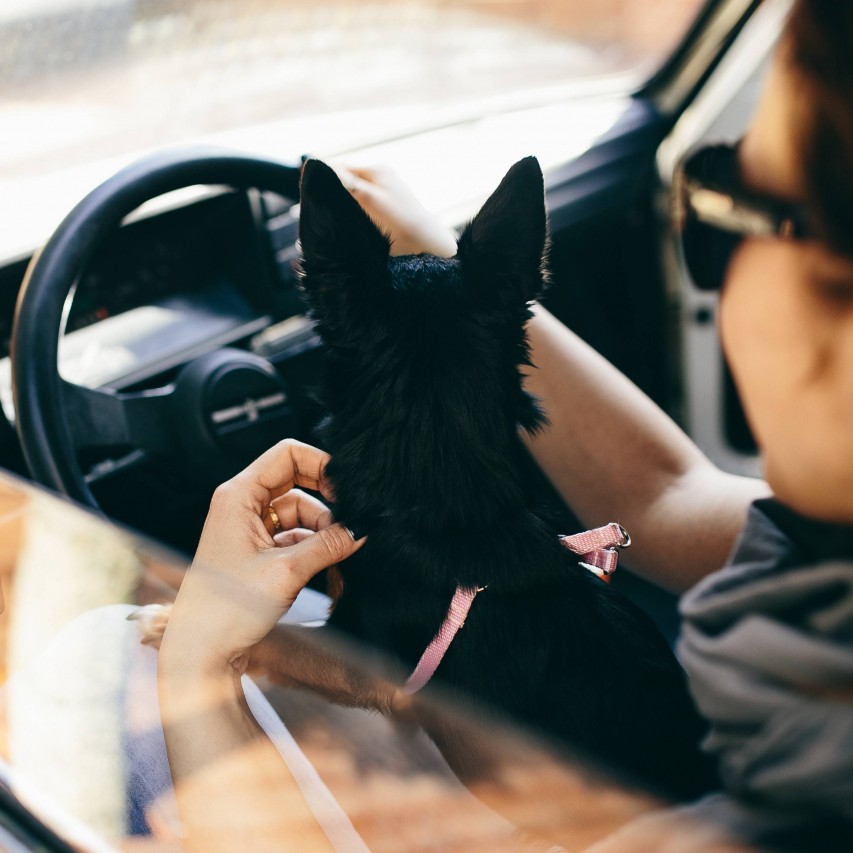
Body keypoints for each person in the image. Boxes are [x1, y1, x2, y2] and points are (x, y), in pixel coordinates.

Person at [159, 0, 852, 849]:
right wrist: (465, 276)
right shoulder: (819, 560)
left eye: (717, 207)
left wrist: (192, 662)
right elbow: (668, 493)